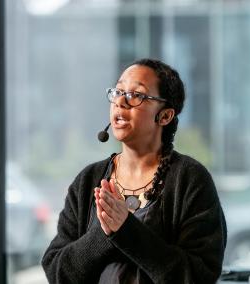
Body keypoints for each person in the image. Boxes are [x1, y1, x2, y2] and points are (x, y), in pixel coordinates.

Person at [41, 58, 227, 283]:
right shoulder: (88, 180)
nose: (120, 101)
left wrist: (126, 230)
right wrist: (103, 234)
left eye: (136, 95)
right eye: (118, 91)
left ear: (165, 116)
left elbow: (199, 275)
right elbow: (57, 272)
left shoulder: (189, 179)